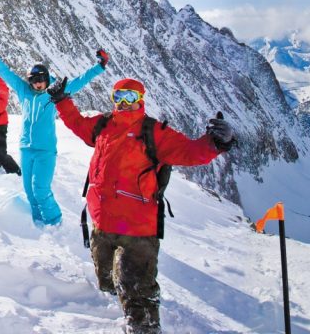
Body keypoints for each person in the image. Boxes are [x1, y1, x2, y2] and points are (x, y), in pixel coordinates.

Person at [48, 77, 235, 334]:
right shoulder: (103, 125)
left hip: (137, 230)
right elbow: (78, 124)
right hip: (102, 223)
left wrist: (216, 143)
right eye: (119, 97)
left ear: (140, 100)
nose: (124, 103)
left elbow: (189, 151)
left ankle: (145, 327)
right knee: (107, 281)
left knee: (137, 291)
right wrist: (62, 102)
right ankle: (118, 310)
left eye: (130, 98)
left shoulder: (154, 132)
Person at [0, 38, 108, 226]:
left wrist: (100, 66)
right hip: (26, 148)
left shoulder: (53, 94)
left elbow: (80, 82)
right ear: (30, 81)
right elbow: (5, 72)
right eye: (35, 80)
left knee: (40, 189)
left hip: (45, 150)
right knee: (29, 191)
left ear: (47, 79)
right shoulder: (23, 90)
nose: (39, 84)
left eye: (42, 80)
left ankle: (55, 222)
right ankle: (38, 223)